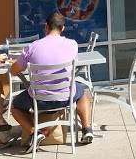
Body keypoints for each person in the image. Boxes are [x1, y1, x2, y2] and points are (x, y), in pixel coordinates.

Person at [9, 12, 94, 152]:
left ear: (46, 27)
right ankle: (86, 129)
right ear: (63, 28)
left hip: (39, 100)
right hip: (66, 97)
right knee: (82, 93)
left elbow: (14, 70)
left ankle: (34, 132)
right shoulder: (72, 44)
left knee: (15, 106)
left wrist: (13, 64)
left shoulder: (32, 47)